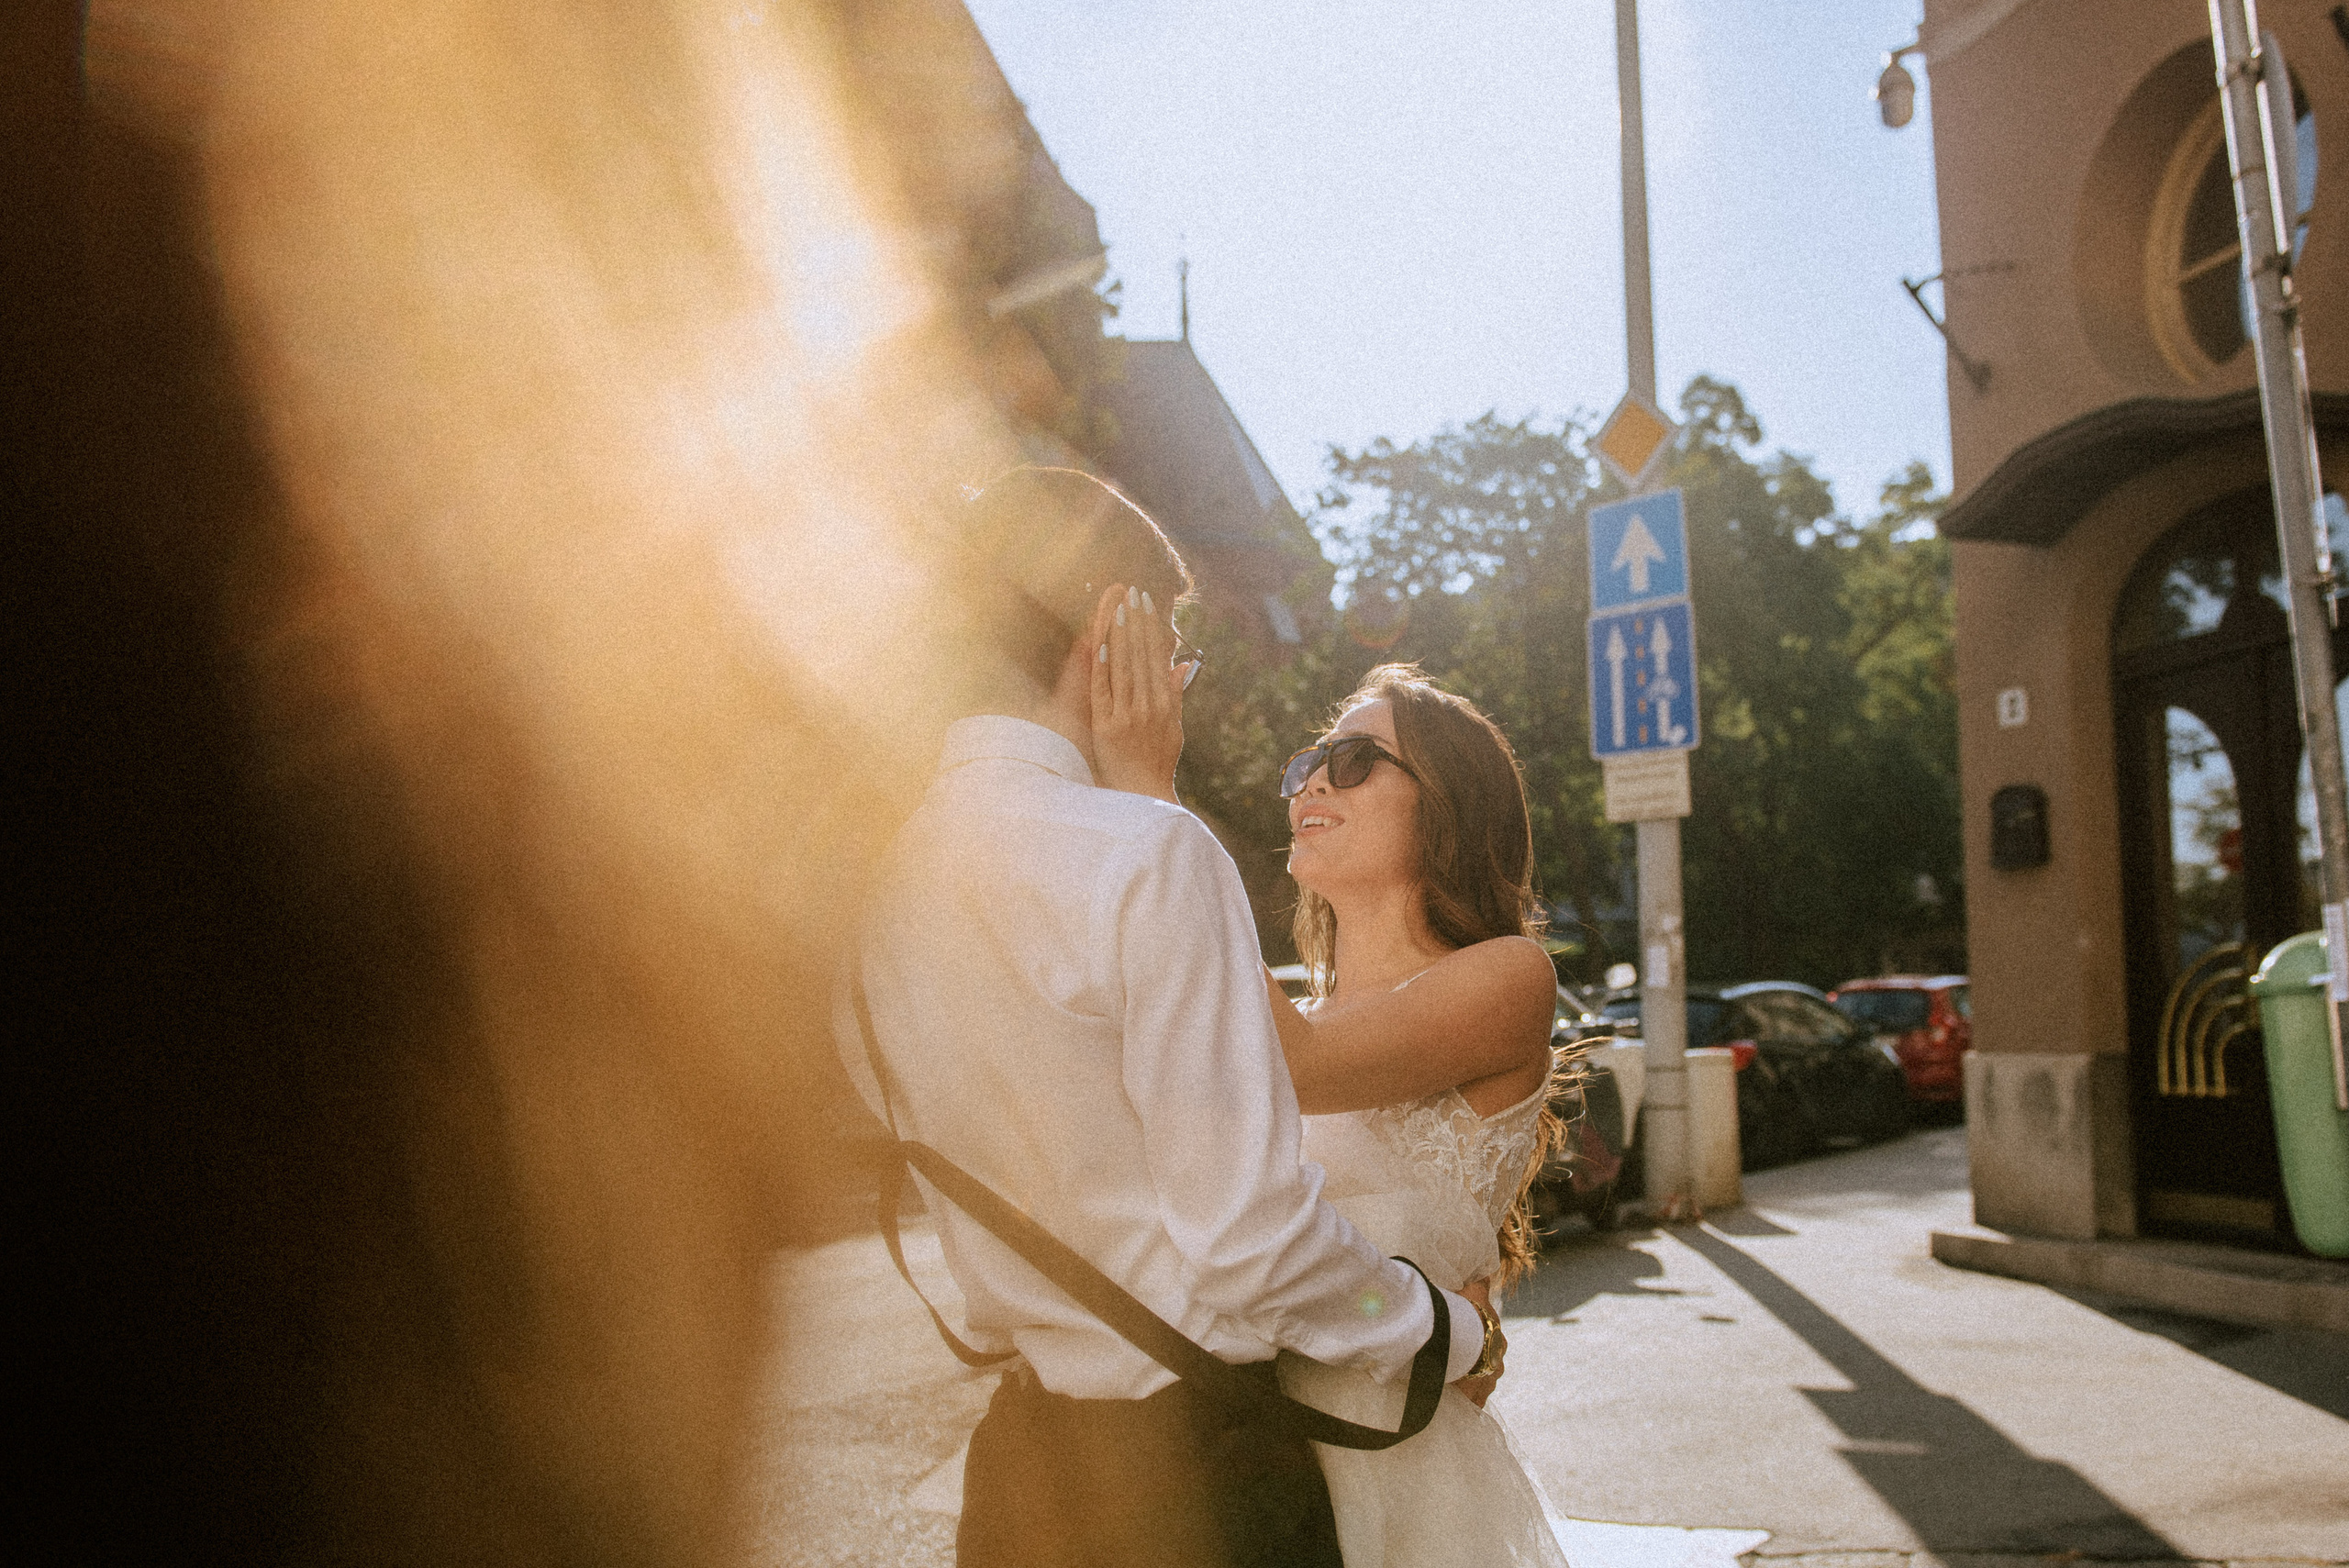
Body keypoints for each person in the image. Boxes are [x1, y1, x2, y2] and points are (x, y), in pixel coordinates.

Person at [843, 468, 1502, 1568]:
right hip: (1196, 1477)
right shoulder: (1146, 851)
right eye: (1175, 649)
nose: (1181, 682)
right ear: (1116, 629)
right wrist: (1450, 1331)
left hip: (1021, 1478)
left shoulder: (876, 894)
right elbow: (1252, 1240)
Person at [1263, 664, 1577, 1568]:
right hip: (1252, 1459)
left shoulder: (1512, 976)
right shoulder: (1288, 1014)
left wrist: (1152, 813)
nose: (1314, 782)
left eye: (1355, 759)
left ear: (1446, 806)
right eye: (1310, 762)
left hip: (1398, 1480)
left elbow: (1300, 1068)